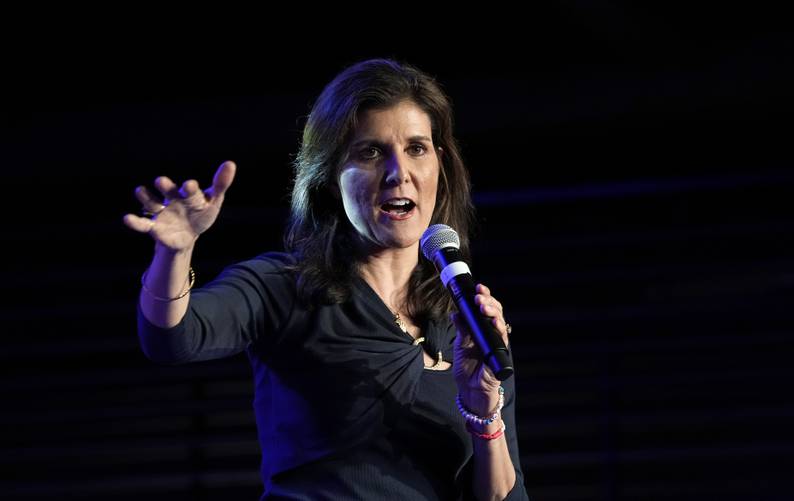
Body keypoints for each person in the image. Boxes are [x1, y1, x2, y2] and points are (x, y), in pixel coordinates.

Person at [123, 58, 529, 500]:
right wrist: (174, 253)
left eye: (416, 148)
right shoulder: (284, 285)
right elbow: (172, 337)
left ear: (440, 164)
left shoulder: (469, 327)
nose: (399, 173)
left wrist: (484, 414)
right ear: (331, 176)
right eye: (370, 152)